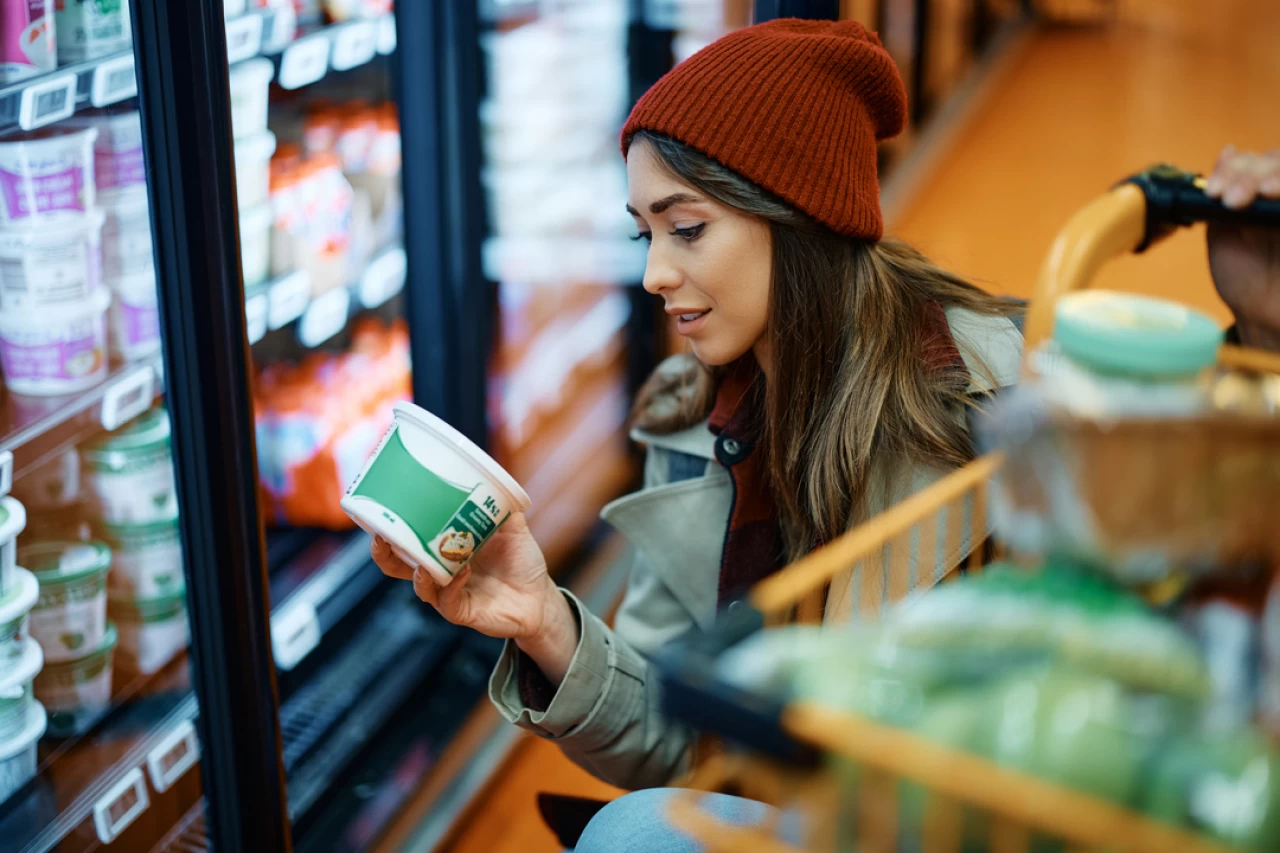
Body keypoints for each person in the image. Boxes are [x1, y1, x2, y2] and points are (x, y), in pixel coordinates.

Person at [372, 19, 1280, 852]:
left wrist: (1266, 332)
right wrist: (544, 622)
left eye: (688, 227)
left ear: (801, 217)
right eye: (646, 231)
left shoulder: (1005, 384)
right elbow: (682, 746)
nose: (654, 272)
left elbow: (1199, 583)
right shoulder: (688, 415)